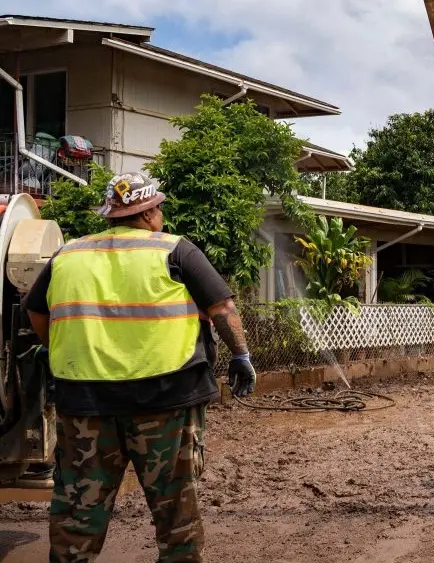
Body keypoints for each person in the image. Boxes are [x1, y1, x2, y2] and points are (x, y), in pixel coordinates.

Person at [23, 172, 258, 562]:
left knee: (78, 514)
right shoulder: (176, 250)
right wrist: (241, 356)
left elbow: (36, 311)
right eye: (159, 208)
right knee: (176, 511)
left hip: (85, 406)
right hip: (166, 404)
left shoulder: (68, 254)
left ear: (110, 214)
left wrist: (59, 348)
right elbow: (222, 309)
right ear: (149, 213)